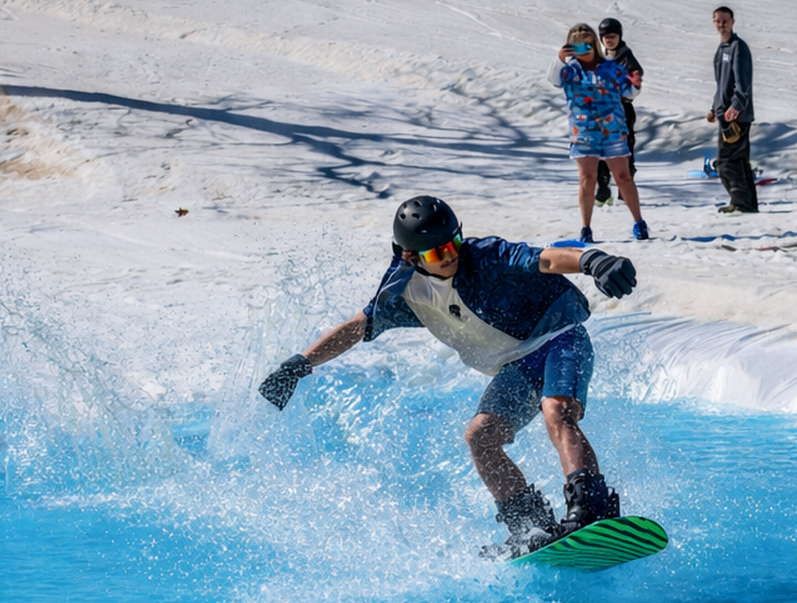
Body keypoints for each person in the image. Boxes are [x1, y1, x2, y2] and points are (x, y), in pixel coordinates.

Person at [257, 196, 640, 559]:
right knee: (480, 437)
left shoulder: (486, 256)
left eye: (454, 242)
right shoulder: (404, 291)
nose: (452, 255)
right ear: (410, 256)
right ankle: (529, 527)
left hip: (560, 337)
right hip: (517, 365)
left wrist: (594, 261)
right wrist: (299, 364)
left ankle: (591, 506)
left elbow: (546, 259)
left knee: (557, 411)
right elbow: (357, 327)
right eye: (438, 253)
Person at [551, 23, 649, 243]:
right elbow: (555, 80)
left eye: (586, 44)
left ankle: (639, 222)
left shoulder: (610, 67)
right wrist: (559, 59)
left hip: (612, 130)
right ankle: (586, 227)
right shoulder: (570, 70)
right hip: (584, 131)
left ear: (594, 43)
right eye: (576, 45)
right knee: (587, 179)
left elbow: (629, 92)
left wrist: (635, 84)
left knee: (623, 177)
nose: (582, 49)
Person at [709, 6, 759, 214]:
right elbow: (721, 84)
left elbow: (742, 82)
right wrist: (714, 108)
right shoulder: (722, 49)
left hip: (736, 116)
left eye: (725, 21)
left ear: (732, 22)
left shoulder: (738, 48)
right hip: (725, 115)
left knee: (728, 162)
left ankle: (741, 203)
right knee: (739, 161)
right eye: (718, 21)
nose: (722, 25)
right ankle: (747, 203)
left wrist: (736, 106)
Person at [593, 18, 645, 207]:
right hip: (602, 111)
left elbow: (633, 86)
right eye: (606, 37)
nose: (609, 41)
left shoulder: (626, 58)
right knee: (600, 151)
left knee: (624, 151)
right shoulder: (600, 56)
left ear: (619, 37)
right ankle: (603, 189)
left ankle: (625, 192)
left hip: (622, 111)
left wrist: (631, 86)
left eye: (613, 37)